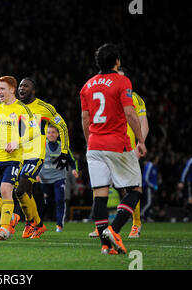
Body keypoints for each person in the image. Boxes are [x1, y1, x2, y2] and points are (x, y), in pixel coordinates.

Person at [80, 43, 147, 255]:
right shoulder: (122, 81)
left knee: (100, 194)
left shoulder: (87, 85)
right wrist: (140, 140)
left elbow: (85, 118)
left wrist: (89, 141)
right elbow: (130, 113)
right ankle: (114, 230)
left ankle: (105, 246)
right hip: (117, 143)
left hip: (94, 145)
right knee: (135, 189)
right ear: (117, 61)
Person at [88, 66, 149, 238]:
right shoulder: (106, 95)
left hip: (126, 148)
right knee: (101, 187)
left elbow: (143, 124)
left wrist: (139, 143)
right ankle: (101, 226)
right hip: (107, 146)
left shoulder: (135, 98)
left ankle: (136, 224)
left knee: (129, 188)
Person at [0, 75, 38, 240]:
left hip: (13, 157)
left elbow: (34, 132)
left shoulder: (22, 108)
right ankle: (12, 217)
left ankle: (5, 228)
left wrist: (17, 142)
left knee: (6, 190)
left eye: (2, 88)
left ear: (12, 89)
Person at [16, 77, 72, 239]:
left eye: (25, 86)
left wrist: (64, 151)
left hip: (35, 155)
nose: (21, 88)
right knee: (26, 191)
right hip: (18, 155)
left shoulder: (44, 108)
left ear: (33, 90)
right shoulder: (15, 107)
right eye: (20, 85)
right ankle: (39, 225)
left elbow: (62, 127)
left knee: (21, 189)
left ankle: (29, 223)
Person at [38, 125, 79, 232]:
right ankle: (37, 224)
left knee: (59, 199)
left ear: (57, 134)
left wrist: (74, 169)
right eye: (49, 132)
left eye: (53, 132)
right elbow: (35, 161)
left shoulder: (63, 146)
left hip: (59, 177)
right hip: (44, 179)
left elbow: (72, 159)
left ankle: (59, 225)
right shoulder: (41, 146)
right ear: (46, 135)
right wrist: (36, 174)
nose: (51, 134)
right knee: (46, 203)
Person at [142, 153, 159, 220]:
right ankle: (141, 214)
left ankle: (147, 216)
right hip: (148, 187)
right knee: (149, 202)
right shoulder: (149, 165)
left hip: (151, 188)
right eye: (157, 159)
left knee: (150, 202)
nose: (158, 160)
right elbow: (145, 178)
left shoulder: (154, 167)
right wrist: (152, 186)